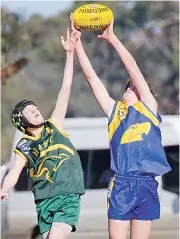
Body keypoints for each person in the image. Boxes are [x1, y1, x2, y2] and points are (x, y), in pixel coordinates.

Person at [70, 16, 171, 239]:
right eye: (127, 86)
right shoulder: (115, 112)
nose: (129, 86)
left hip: (147, 184)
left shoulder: (148, 109)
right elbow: (91, 77)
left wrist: (112, 38)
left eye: (133, 86)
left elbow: (132, 67)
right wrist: (78, 46)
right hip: (122, 183)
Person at [0, 28, 85, 239]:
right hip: (44, 201)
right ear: (23, 122)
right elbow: (14, 172)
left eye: (35, 108)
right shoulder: (24, 145)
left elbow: (65, 88)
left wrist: (69, 54)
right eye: (29, 111)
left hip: (67, 196)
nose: (36, 110)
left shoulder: (53, 125)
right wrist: (4, 189)